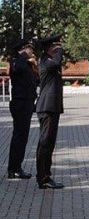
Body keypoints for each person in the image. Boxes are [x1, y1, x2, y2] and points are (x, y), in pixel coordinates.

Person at [34, 34, 65, 190]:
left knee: (49, 142)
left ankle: (45, 174)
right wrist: (59, 52)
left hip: (51, 107)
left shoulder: (49, 61)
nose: (59, 50)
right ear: (50, 48)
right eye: (56, 47)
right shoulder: (46, 61)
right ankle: (43, 177)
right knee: (45, 143)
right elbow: (57, 62)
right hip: (47, 107)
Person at [7, 38, 38, 180]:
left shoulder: (26, 63)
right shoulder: (17, 61)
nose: (32, 51)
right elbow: (17, 68)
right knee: (19, 137)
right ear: (24, 49)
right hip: (20, 104)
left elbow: (34, 81)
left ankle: (16, 168)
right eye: (29, 48)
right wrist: (24, 56)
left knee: (22, 137)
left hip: (26, 104)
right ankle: (13, 169)